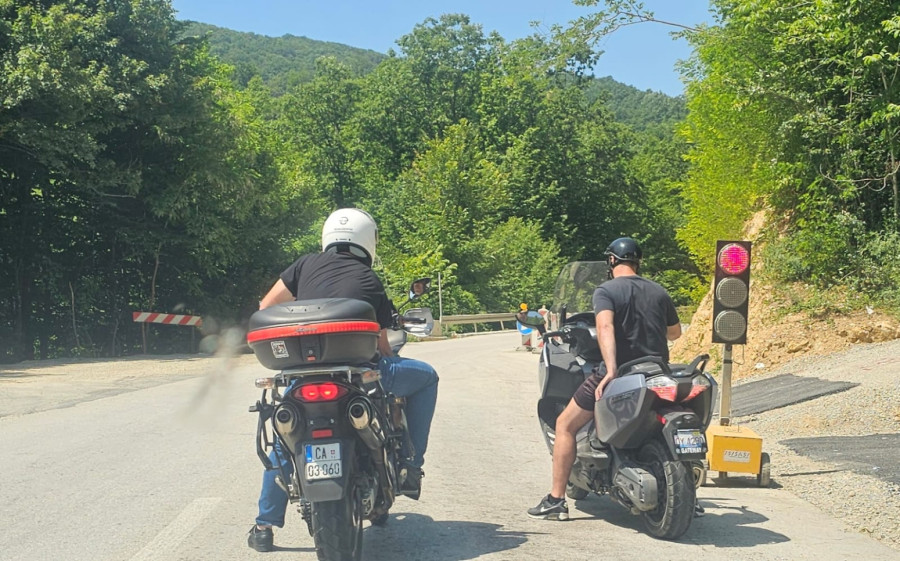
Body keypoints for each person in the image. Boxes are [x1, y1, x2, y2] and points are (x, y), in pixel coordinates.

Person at [248, 208, 440, 552]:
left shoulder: (303, 265)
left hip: (302, 372)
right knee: (427, 378)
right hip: (357, 374)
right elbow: (381, 346)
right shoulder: (369, 279)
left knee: (285, 434)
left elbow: (265, 305)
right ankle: (412, 465)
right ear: (368, 241)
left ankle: (264, 525)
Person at [527, 237, 682, 521]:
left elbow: (605, 326)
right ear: (638, 262)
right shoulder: (659, 292)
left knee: (565, 424)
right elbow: (675, 334)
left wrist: (610, 369)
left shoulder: (606, 290)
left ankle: (556, 499)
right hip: (656, 371)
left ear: (611, 261)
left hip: (622, 371)